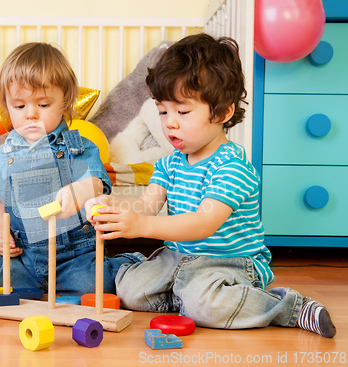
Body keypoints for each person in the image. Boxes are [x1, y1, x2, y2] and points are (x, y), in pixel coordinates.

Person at [85, 33, 336, 338]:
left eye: (183, 112)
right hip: (180, 258)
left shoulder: (232, 165)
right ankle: (182, 295)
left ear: (223, 112)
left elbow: (203, 222)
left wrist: (141, 225)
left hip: (229, 262)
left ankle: (289, 307)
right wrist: (117, 209)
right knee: (130, 291)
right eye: (163, 111)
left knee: (209, 307)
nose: (170, 123)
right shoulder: (170, 163)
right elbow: (146, 205)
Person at [0, 42, 143, 294]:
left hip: (75, 256)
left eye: (43, 105)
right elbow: (0, 204)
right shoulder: (3, 154)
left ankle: (128, 264)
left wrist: (78, 191)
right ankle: (6, 270)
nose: (31, 114)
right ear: (6, 105)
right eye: (20, 106)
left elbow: (98, 183)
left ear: (65, 103)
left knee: (95, 284)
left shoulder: (78, 146)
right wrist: (1, 236)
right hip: (24, 257)